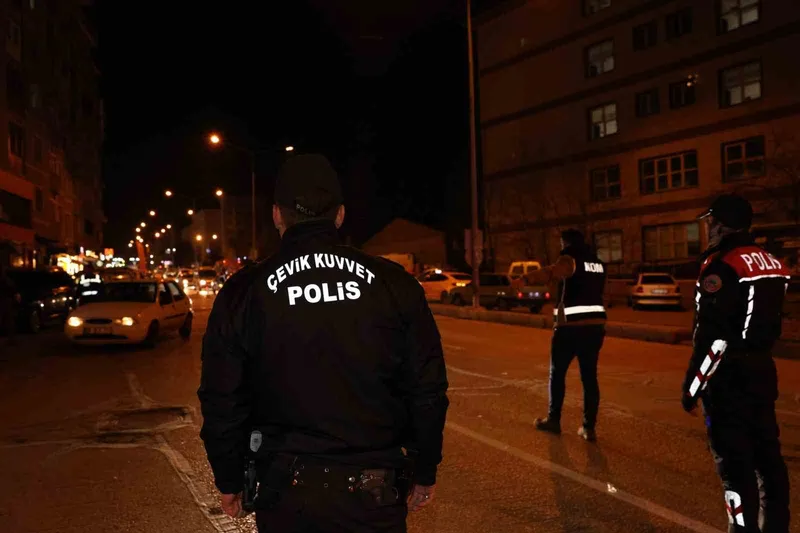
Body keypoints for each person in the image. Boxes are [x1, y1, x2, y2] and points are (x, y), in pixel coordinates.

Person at [198, 154, 449, 533]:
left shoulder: (245, 291)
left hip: (288, 495)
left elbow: (222, 398)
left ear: (277, 215)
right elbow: (427, 389)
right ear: (340, 215)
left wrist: (229, 479)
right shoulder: (393, 283)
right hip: (374, 495)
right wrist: (425, 468)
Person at [682, 193, 790, 533]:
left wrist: (692, 389)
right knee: (769, 461)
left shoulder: (722, 266)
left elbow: (712, 339)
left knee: (734, 466)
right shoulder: (770, 262)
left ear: (721, 225)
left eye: (710, 222)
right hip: (763, 371)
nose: (708, 229)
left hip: (729, 379)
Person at [524, 228, 607, 441]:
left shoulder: (569, 259)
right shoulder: (598, 263)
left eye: (561, 243)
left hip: (570, 328)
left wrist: (525, 279)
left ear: (566, 242)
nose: (560, 246)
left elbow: (551, 272)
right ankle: (589, 427)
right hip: (595, 327)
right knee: (589, 377)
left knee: (557, 373)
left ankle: (554, 420)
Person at [0, 263, 19, 345]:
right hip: (5, 300)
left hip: (5, 300)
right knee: (8, 320)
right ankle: (11, 339)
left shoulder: (6, 280)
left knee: (8, 320)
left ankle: (11, 339)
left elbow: (12, 289)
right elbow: (12, 289)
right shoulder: (7, 280)